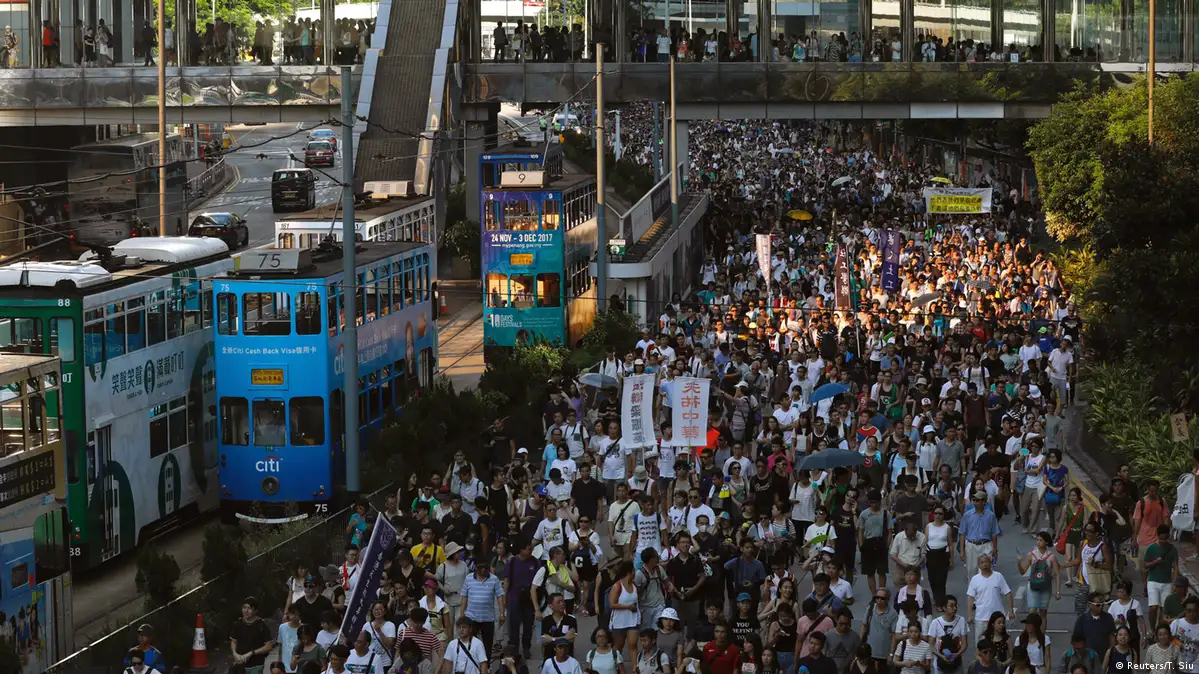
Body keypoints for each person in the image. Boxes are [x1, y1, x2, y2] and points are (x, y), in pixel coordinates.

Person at [965, 555, 1014, 642]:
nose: (985, 564)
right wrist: (969, 615)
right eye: (982, 562)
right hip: (981, 617)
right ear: (978, 565)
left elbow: (1008, 593)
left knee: (1000, 642)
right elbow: (970, 598)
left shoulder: (998, 576)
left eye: (986, 562)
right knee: (980, 643)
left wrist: (1011, 611)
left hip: (997, 617)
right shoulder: (975, 579)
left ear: (991, 563)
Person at [1144, 523, 1179, 629]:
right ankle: (1152, 629)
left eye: (1165, 539)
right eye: (1161, 539)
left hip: (1167, 582)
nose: (1163, 541)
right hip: (1153, 581)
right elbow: (1145, 564)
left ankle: (1160, 629)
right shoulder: (1151, 548)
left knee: (1164, 609)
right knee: (1153, 607)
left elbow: (1176, 566)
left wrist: (1175, 582)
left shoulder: (1172, 549)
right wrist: (1155, 562)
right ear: (1157, 536)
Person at [230, 597, 273, 674]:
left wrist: (251, 653)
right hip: (240, 666)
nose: (246, 610)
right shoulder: (238, 623)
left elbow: (268, 646)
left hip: (256, 666)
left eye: (249, 608)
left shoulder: (262, 625)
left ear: (256, 610)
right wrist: (235, 653)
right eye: (244, 608)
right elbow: (233, 641)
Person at [1072, 591, 1117, 658]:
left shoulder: (1108, 618)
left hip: (1104, 655)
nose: (1101, 607)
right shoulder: (1081, 619)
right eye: (1098, 605)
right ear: (1089, 604)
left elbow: (1112, 636)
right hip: (1087, 656)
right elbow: (1076, 639)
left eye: (1102, 604)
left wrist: (1111, 653)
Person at [1171, 596, 1199, 671]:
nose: (1191, 613)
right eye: (1189, 610)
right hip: (1177, 667)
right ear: (1185, 611)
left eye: (1194, 611)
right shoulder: (1176, 624)